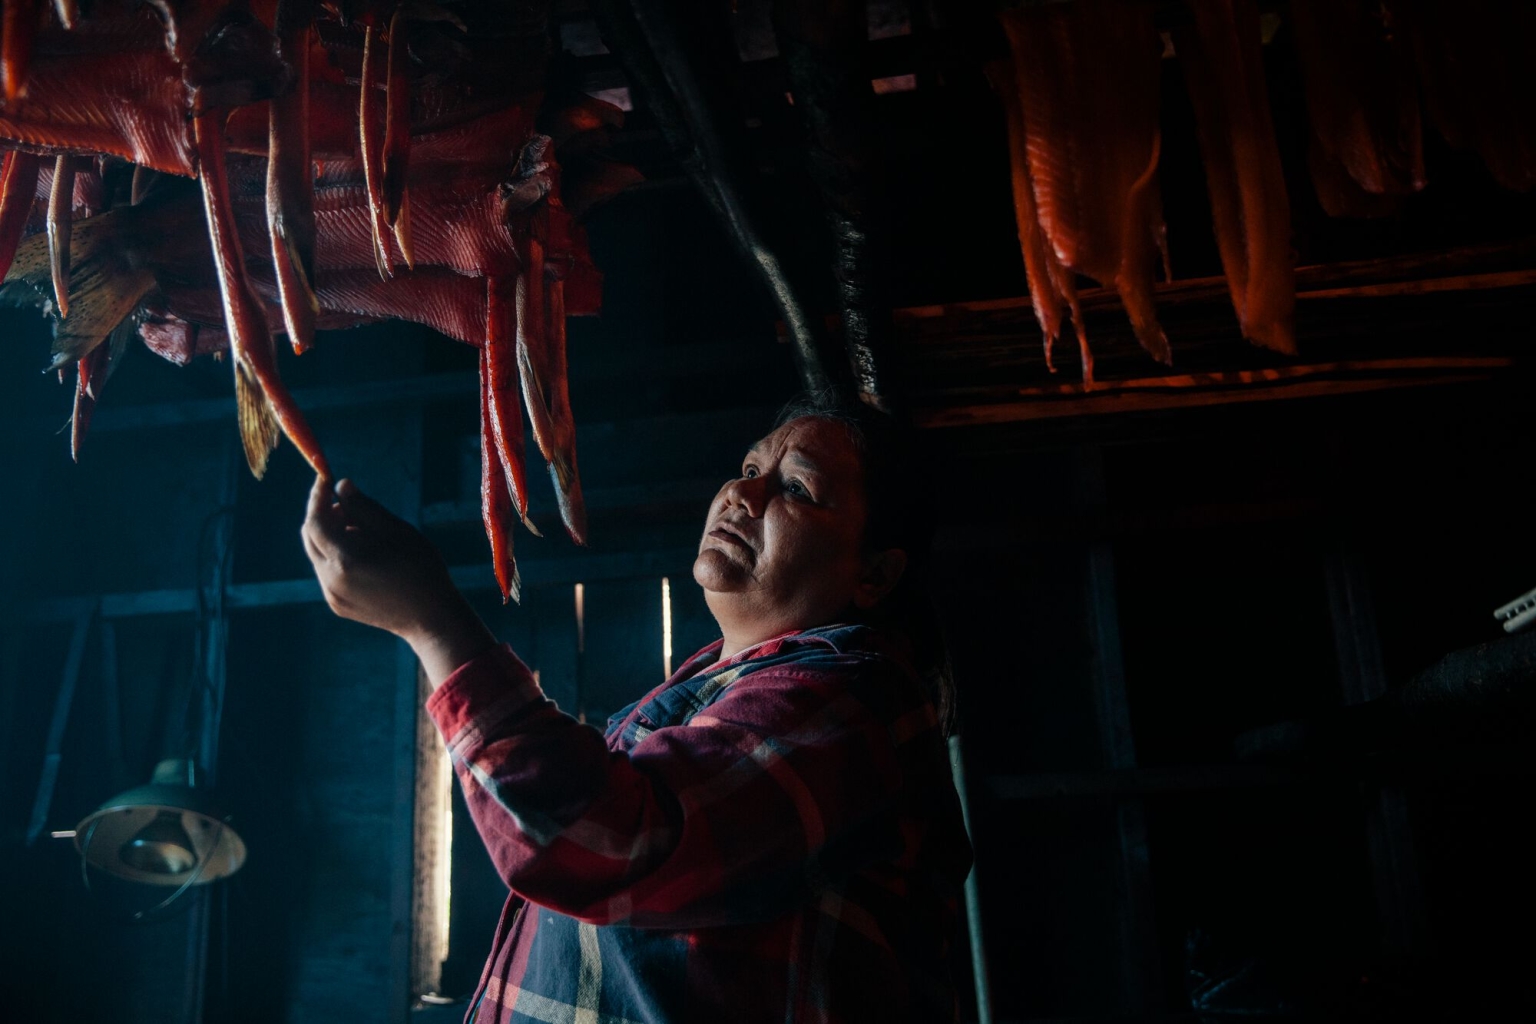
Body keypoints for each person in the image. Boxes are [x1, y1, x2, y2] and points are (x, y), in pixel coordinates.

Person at [301, 396, 973, 1023]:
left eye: (796, 488)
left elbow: (600, 836)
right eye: (748, 468)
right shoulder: (718, 687)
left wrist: (434, 624)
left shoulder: (853, 702)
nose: (742, 494)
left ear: (876, 574)